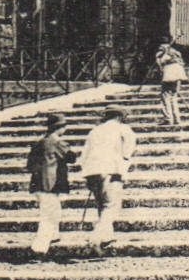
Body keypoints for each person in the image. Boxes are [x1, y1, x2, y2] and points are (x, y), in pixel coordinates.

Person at [76, 106, 136, 257]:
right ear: (119, 116)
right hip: (111, 169)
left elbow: (84, 154)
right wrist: (125, 163)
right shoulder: (123, 129)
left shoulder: (94, 130)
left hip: (92, 171)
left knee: (101, 205)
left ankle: (107, 237)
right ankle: (95, 238)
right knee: (111, 206)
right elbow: (129, 149)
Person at [28, 112, 74, 258]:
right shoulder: (56, 142)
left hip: (38, 183)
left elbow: (29, 165)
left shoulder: (39, 142)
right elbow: (71, 157)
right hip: (50, 184)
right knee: (49, 215)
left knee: (53, 212)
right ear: (59, 128)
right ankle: (38, 248)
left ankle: (54, 235)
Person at [154, 37, 187, 128]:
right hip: (178, 76)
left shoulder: (161, 54)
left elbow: (160, 65)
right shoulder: (176, 53)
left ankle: (168, 118)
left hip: (169, 76)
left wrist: (160, 66)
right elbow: (182, 63)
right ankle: (176, 119)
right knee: (173, 97)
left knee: (166, 97)